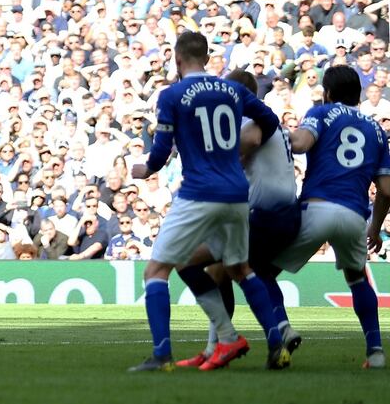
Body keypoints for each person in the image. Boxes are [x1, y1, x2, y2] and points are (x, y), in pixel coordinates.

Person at [128, 32, 290, 372]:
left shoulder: (172, 94)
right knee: (240, 269)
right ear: (205, 57)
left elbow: (159, 153)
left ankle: (161, 356)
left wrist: (144, 170)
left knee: (156, 271)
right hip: (236, 194)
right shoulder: (232, 90)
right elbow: (270, 119)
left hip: (199, 192)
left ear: (177, 58)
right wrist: (241, 146)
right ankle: (270, 343)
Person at [174, 69, 302, 369]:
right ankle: (221, 347)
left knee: (189, 260)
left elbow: (252, 140)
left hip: (265, 216)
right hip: (283, 214)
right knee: (223, 272)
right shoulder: (269, 124)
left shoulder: (247, 120)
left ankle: (249, 341)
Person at [268, 66, 390, 369]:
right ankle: (375, 352)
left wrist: (270, 131)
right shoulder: (377, 130)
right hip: (354, 216)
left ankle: (284, 328)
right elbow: (387, 189)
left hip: (317, 207)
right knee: (357, 278)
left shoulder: (321, 113)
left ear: (328, 93)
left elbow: (300, 144)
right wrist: (374, 229)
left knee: (261, 273)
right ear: (359, 95)